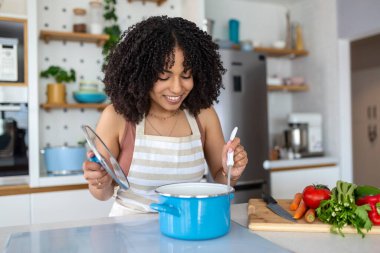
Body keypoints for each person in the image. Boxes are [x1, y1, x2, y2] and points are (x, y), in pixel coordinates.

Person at [82, 16, 248, 216]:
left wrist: (232, 171)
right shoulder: (117, 117)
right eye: (163, 76)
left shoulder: (203, 115)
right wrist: (99, 181)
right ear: (141, 73)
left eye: (186, 75)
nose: (177, 88)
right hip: (129, 234)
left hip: (187, 228)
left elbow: (222, 180)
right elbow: (103, 194)